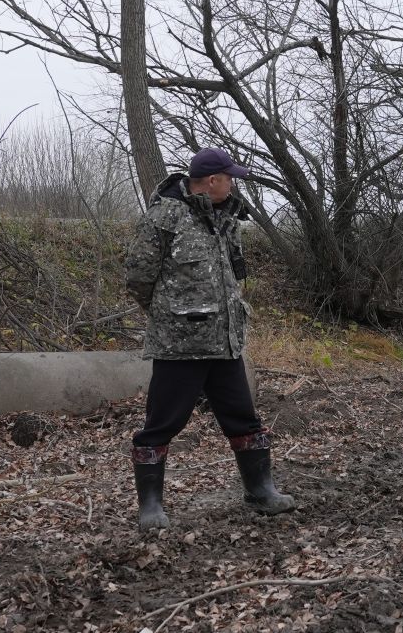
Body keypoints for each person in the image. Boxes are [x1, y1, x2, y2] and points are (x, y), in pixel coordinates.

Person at [124, 147, 295, 531]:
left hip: (225, 343)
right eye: (230, 177)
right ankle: (150, 507)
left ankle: (260, 491)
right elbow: (138, 275)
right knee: (162, 423)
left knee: (244, 418)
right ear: (213, 180)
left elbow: (234, 273)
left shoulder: (226, 217)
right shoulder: (165, 216)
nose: (233, 183)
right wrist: (169, 314)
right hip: (180, 346)